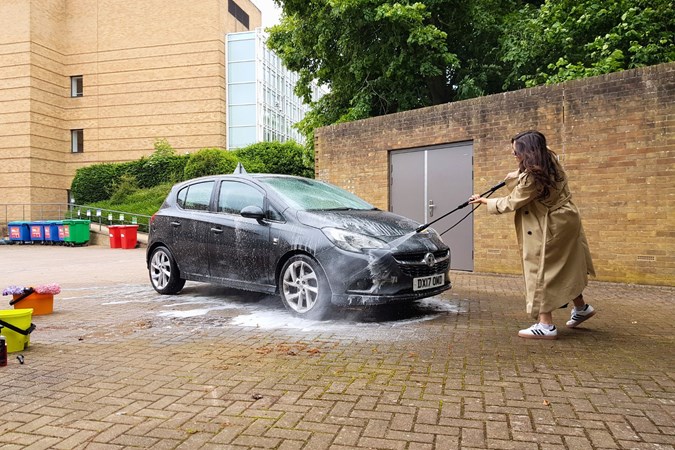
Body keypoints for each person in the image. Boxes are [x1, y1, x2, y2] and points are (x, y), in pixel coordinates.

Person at [469, 130, 596, 340]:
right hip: (568, 219)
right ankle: (581, 308)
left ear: (528, 152)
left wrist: (484, 201)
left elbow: (512, 201)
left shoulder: (531, 179)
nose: (514, 156)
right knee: (566, 265)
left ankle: (545, 324)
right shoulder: (550, 159)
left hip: (551, 224)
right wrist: (516, 175)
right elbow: (529, 174)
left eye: (516, 153)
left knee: (541, 268)